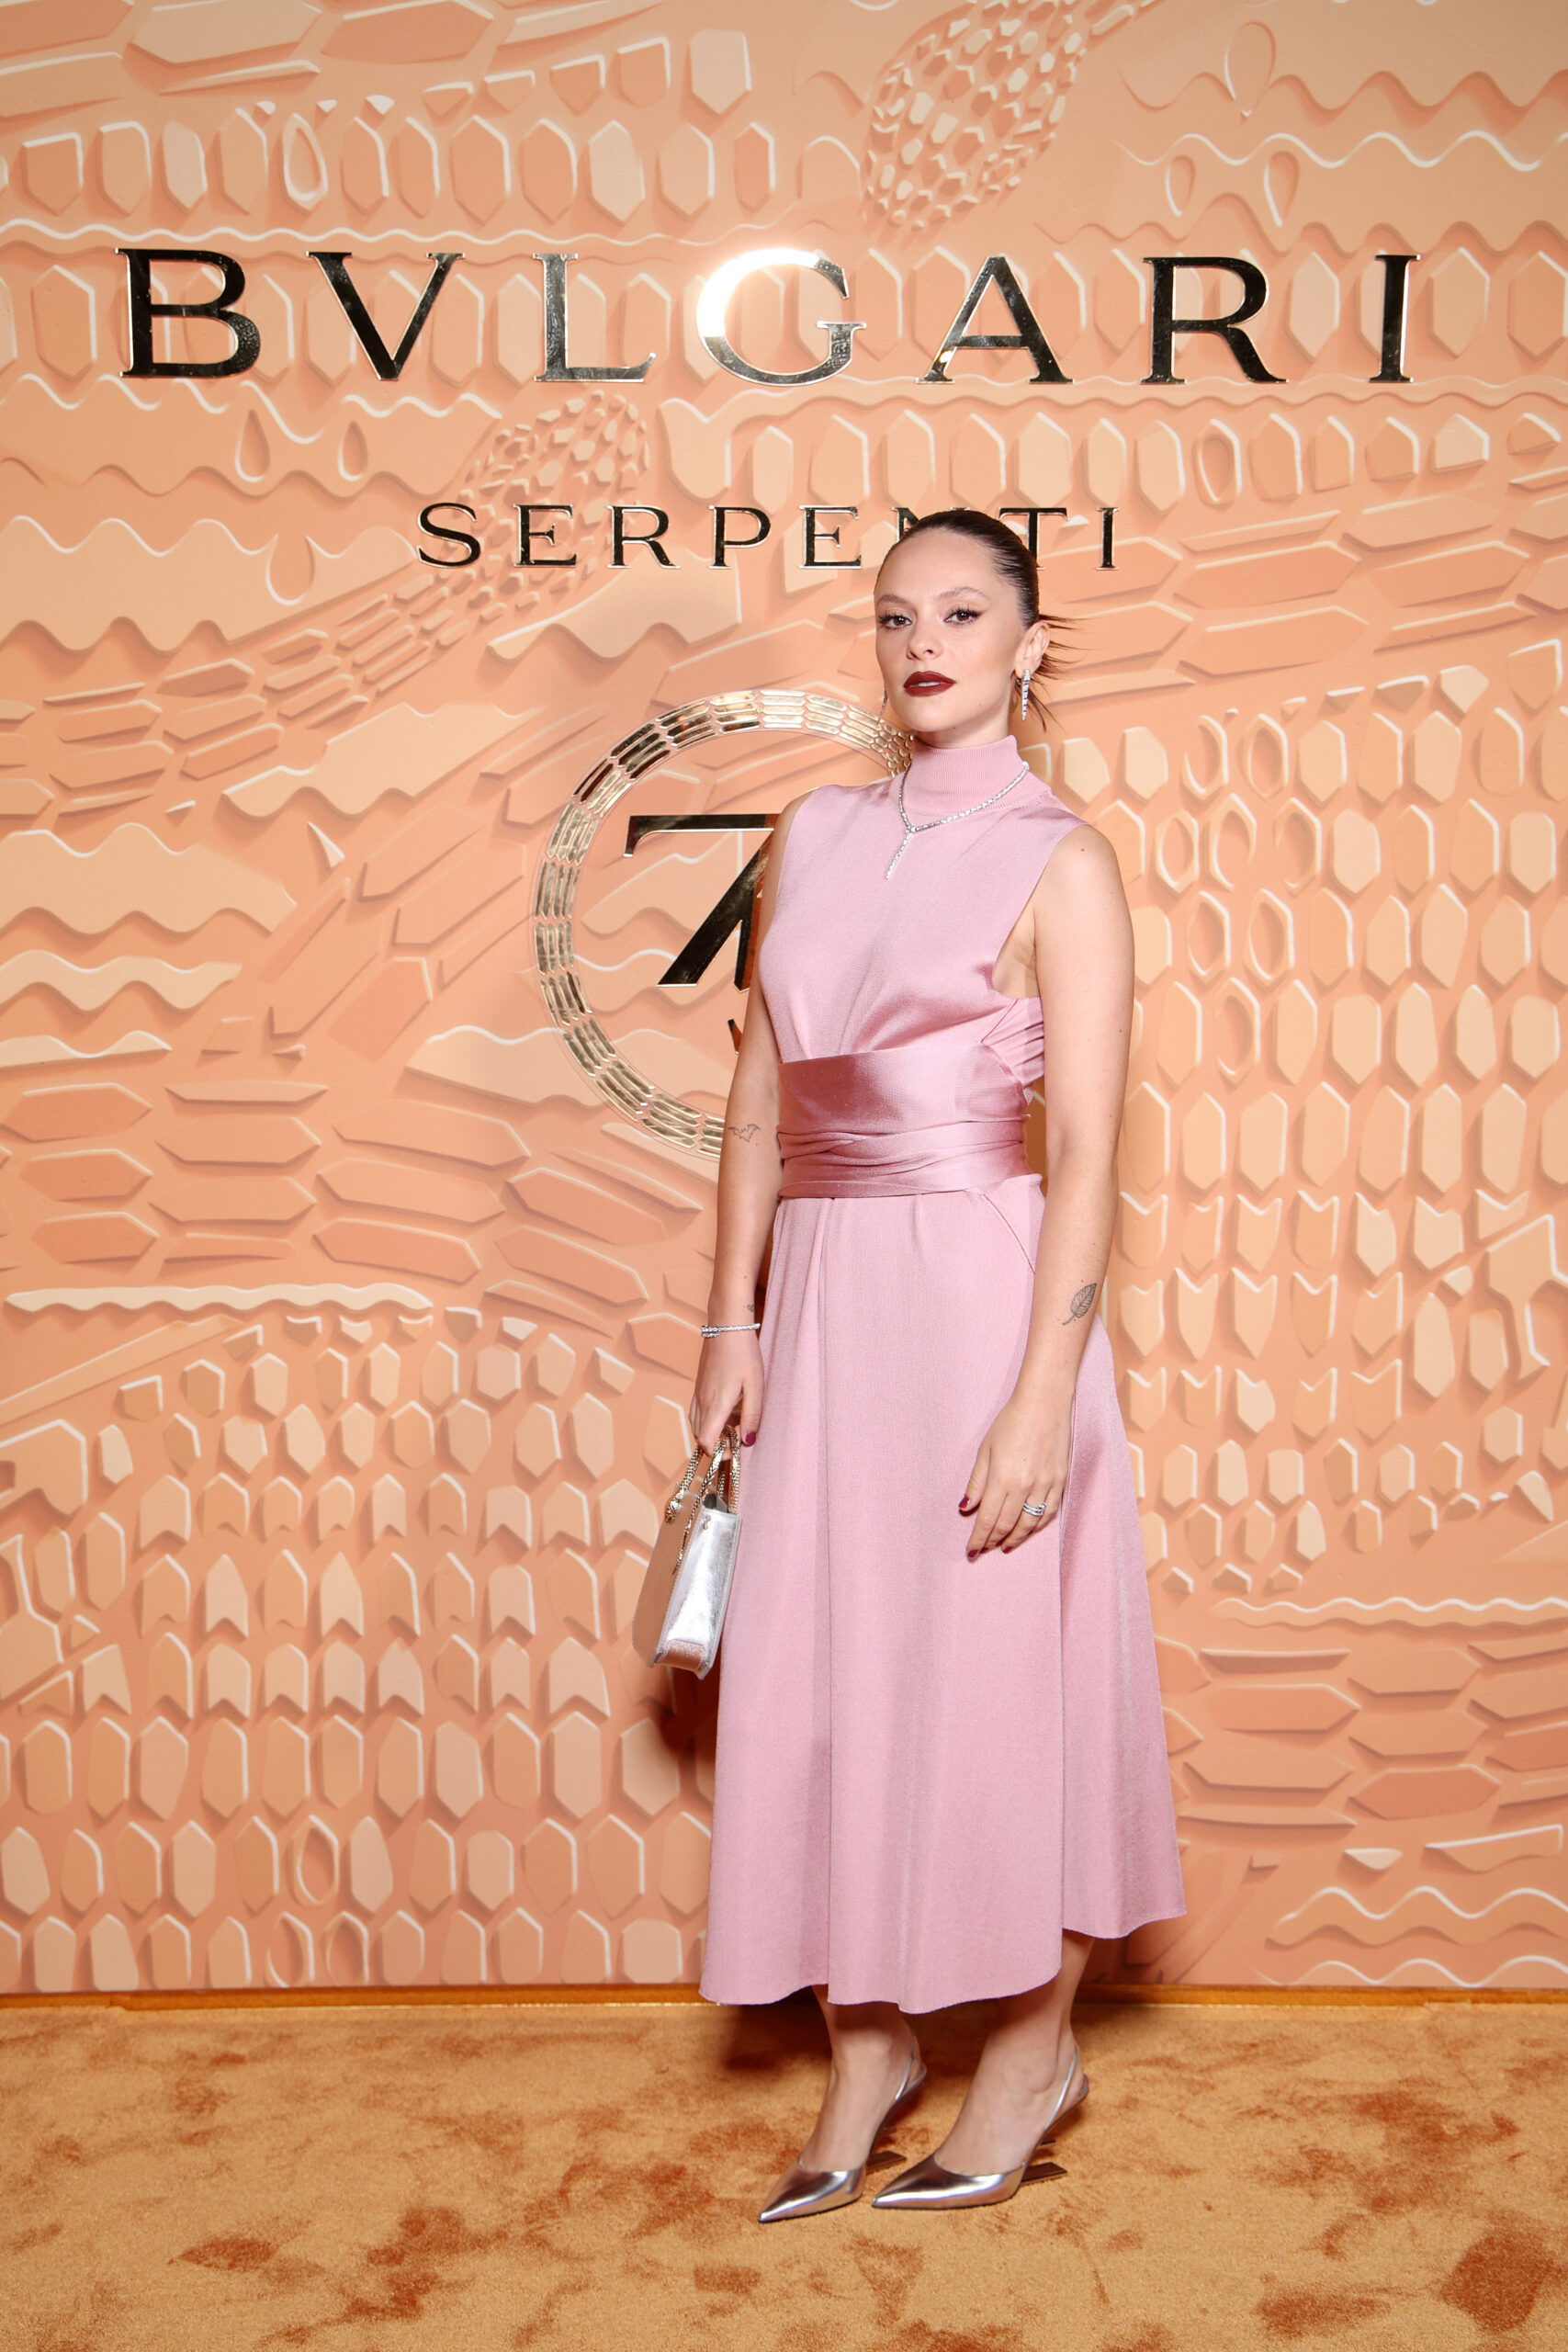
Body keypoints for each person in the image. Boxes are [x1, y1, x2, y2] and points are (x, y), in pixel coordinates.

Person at [689, 507, 1184, 2220]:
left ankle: (1033, 2051)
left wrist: (1043, 1395)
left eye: (965, 615)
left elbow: (1091, 1152)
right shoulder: (812, 830)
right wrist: (732, 1321)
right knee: (828, 1670)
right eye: (899, 616)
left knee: (999, 1677)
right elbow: (759, 1096)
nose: (925, 644)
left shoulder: (1064, 858)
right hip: (826, 1308)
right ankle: (868, 2051)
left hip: (985, 1302)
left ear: (1029, 645)